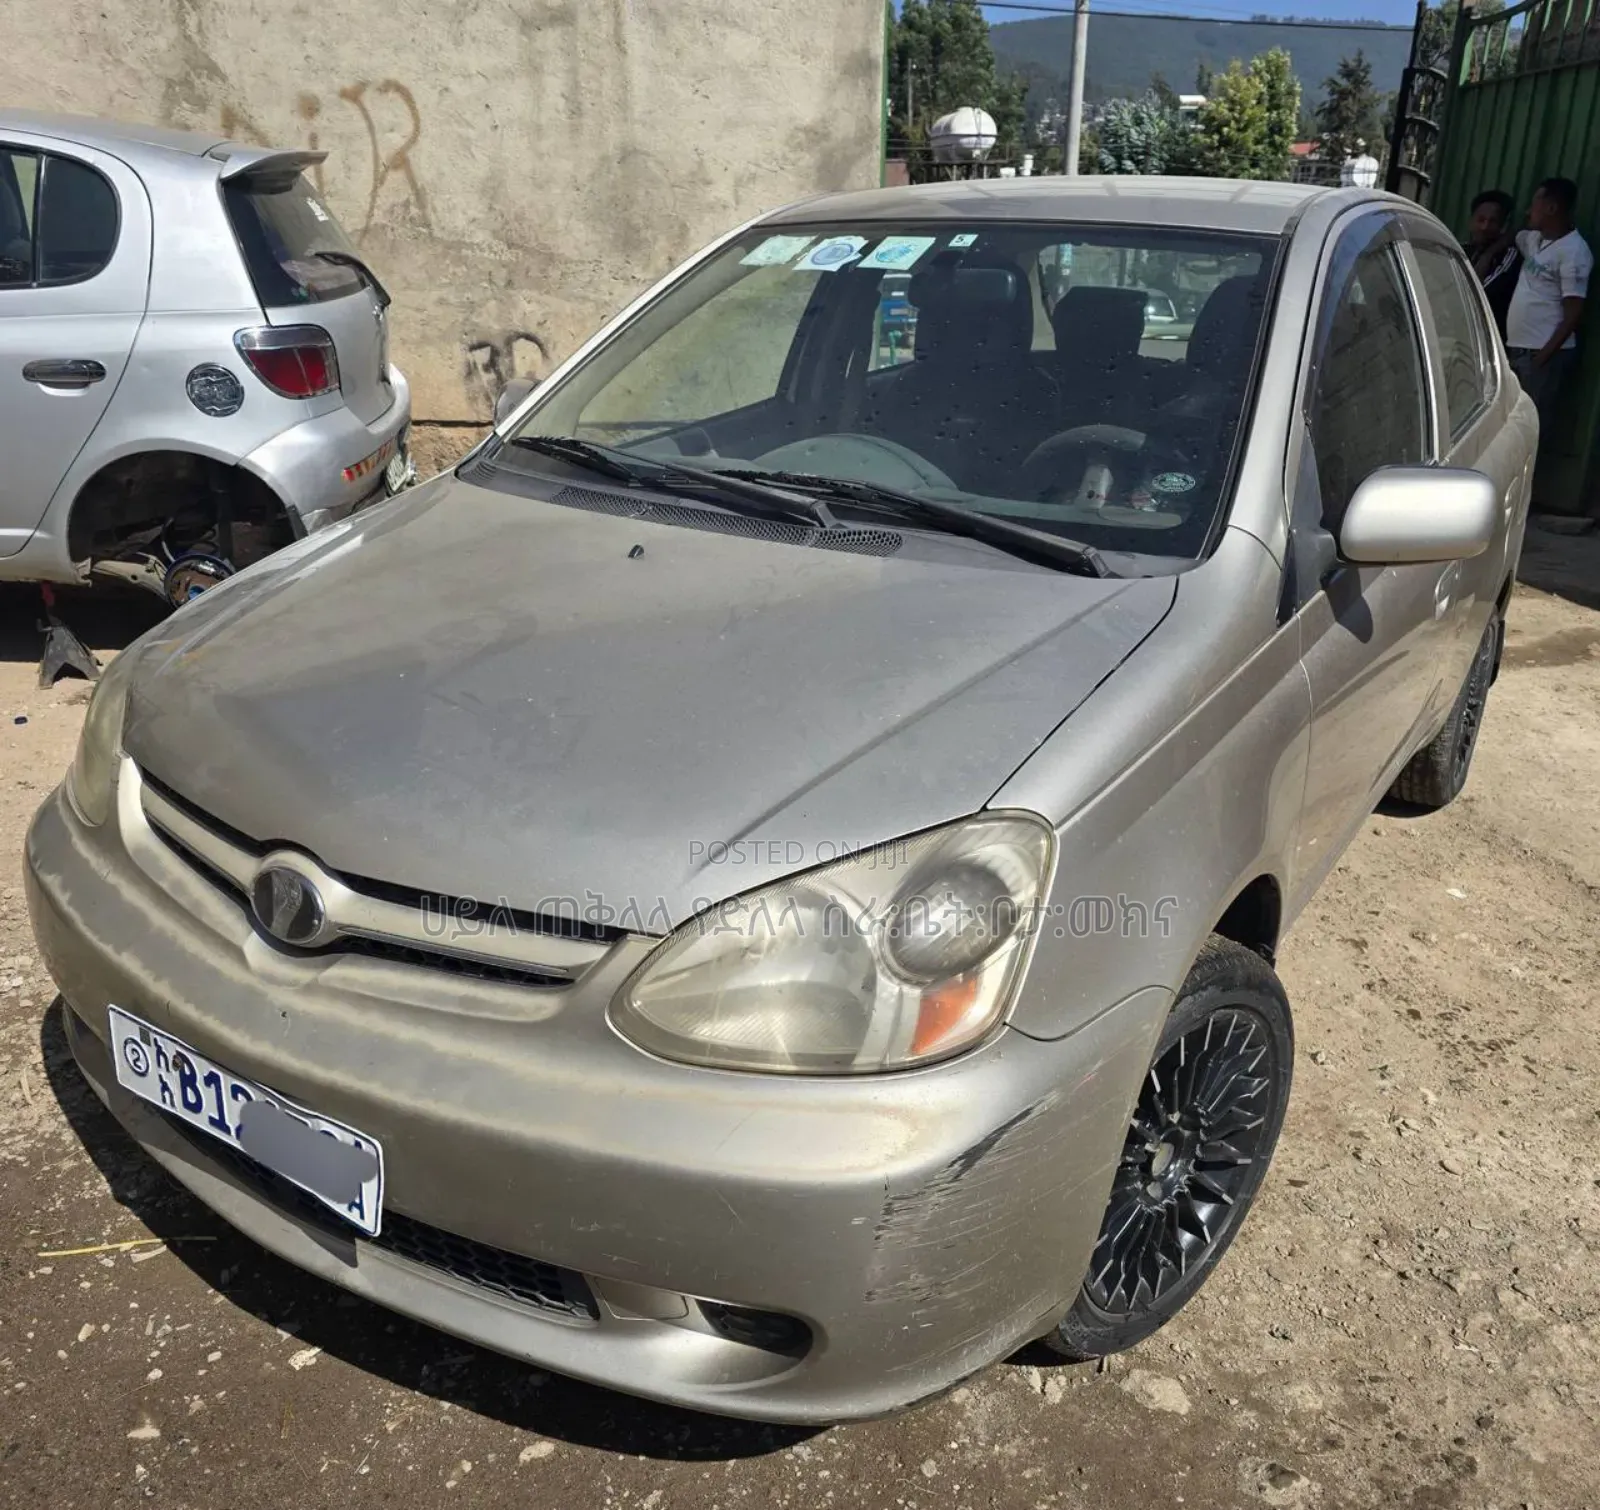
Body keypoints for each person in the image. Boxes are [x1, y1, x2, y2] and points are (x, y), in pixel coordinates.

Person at [1502, 177, 1591, 432]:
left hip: (1542, 354)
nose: (1529, 211)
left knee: (1529, 427)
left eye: (1535, 204)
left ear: (1552, 208)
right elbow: (1511, 237)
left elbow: (1573, 313)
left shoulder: (1574, 252)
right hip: (1519, 351)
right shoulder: (1533, 240)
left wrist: (1541, 360)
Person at [1465, 188, 1520, 339]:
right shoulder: (1461, 251)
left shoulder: (1508, 256)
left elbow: (1473, 291)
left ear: (1503, 226)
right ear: (1471, 221)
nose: (1485, 227)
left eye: (1492, 222)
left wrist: (1490, 254)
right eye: (1481, 220)